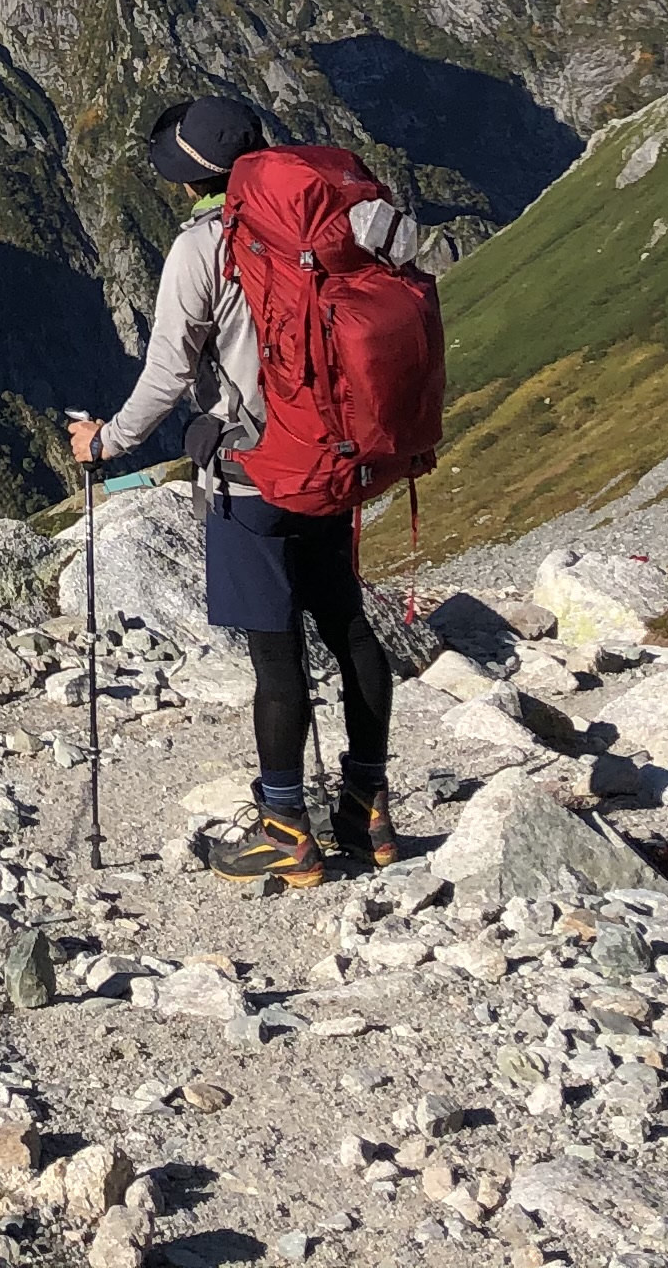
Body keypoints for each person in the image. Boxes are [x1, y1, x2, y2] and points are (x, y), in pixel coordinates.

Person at [68, 93, 395, 886]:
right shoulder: (325, 224)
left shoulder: (201, 247)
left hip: (254, 475)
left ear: (187, 179)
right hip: (333, 460)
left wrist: (106, 442)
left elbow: (167, 374)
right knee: (348, 625)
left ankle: (285, 826)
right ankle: (367, 810)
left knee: (276, 657)